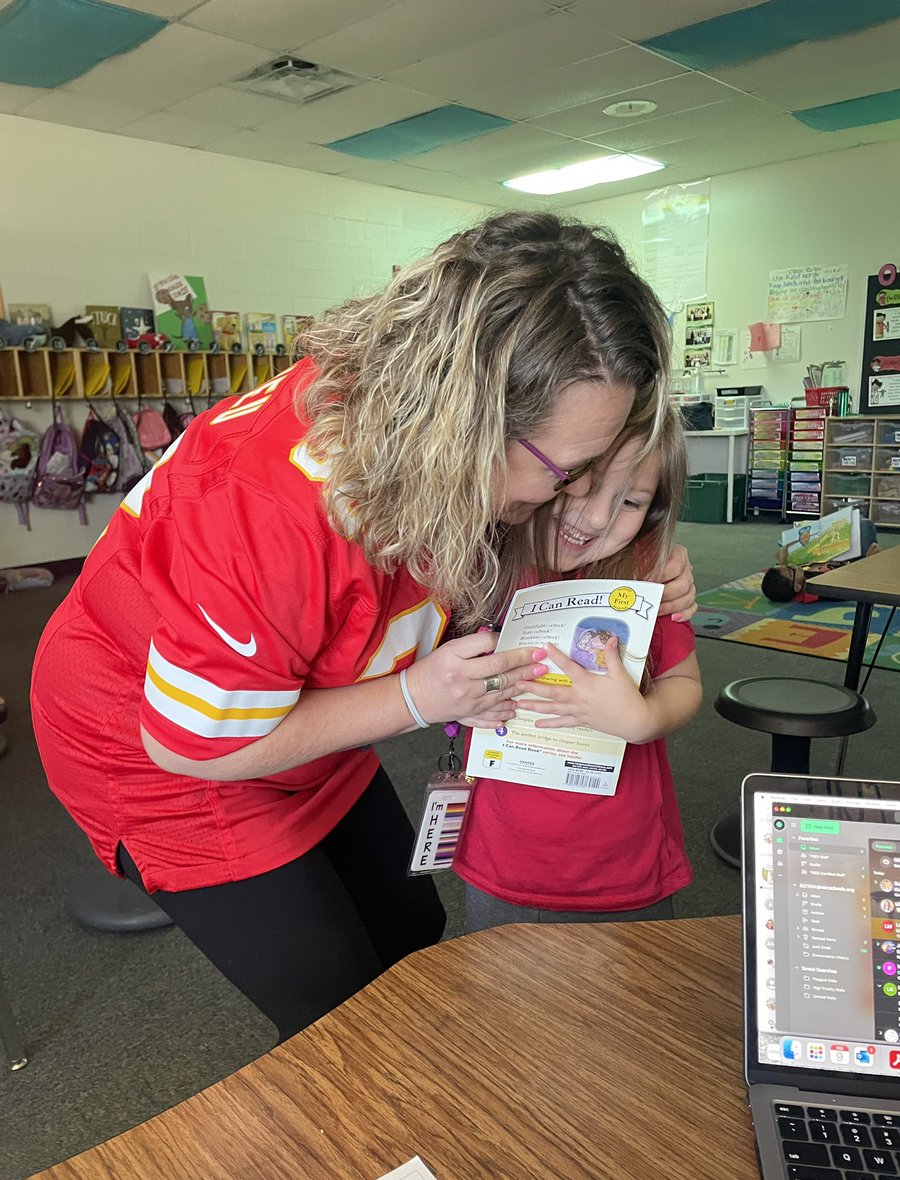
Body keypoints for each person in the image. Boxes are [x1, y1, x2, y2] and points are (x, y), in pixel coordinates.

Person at [31, 212, 695, 1041]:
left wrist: (642, 563)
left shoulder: (425, 424)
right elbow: (194, 744)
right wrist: (415, 697)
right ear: (466, 427)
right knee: (340, 1012)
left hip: (306, 705)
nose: (575, 501)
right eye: (568, 473)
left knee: (409, 930)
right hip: (168, 748)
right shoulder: (267, 513)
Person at [455, 403, 702, 930]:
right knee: (499, 981)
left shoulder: (646, 577)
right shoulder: (477, 564)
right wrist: (457, 701)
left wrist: (645, 719)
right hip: (502, 854)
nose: (596, 518)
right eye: (580, 481)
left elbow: (684, 681)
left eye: (630, 501)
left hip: (623, 861)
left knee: (639, 981)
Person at [760, 517, 879, 604]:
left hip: (836, 558)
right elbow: (853, 586)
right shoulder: (819, 589)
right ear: (796, 587)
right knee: (865, 524)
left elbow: (780, 571)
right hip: (859, 566)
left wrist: (782, 561)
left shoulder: (795, 580)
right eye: (791, 570)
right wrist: (869, 561)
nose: (793, 566)